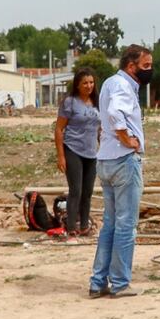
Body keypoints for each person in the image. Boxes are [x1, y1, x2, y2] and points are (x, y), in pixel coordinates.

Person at [88, 45, 152, 299]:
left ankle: (98, 281)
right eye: (146, 66)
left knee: (110, 224)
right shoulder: (124, 87)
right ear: (131, 66)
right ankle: (120, 282)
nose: (150, 70)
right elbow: (115, 113)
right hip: (123, 160)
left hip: (105, 159)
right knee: (126, 225)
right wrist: (127, 139)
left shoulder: (110, 83)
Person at [54, 67, 101, 238]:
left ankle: (84, 225)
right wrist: (60, 156)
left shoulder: (97, 102)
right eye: (84, 83)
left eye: (91, 82)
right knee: (76, 190)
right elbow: (59, 129)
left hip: (92, 152)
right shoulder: (70, 102)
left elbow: (99, 129)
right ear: (78, 85)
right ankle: (72, 225)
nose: (88, 86)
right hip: (73, 149)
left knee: (88, 191)